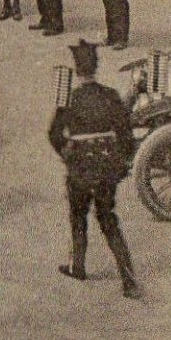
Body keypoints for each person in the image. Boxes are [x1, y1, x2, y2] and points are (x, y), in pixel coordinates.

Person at [49, 41, 141, 298]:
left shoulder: (70, 97)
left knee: (78, 216)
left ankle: (77, 265)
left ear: (78, 70)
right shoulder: (110, 95)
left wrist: (67, 152)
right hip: (104, 168)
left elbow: (54, 133)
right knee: (108, 218)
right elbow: (125, 134)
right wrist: (120, 162)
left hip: (79, 167)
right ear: (96, 66)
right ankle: (128, 278)